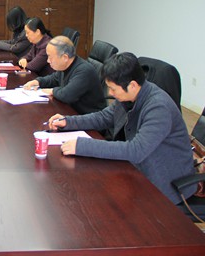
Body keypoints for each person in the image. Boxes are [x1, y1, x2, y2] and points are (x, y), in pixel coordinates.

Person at [47, 52, 196, 204]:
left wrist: (82, 145)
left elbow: (136, 150)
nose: (110, 93)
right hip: (140, 169)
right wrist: (68, 122)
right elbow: (104, 117)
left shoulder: (158, 107)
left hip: (166, 183)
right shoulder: (130, 95)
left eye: (113, 89)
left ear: (132, 85)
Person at [24, 36, 106, 114]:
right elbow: (54, 78)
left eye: (50, 57)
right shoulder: (65, 66)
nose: (48, 61)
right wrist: (38, 81)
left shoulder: (84, 70)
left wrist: (52, 91)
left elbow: (67, 95)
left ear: (65, 57)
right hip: (71, 110)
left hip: (87, 117)